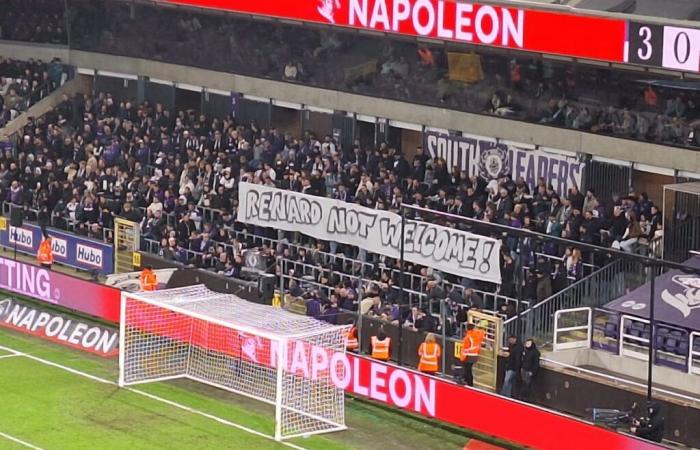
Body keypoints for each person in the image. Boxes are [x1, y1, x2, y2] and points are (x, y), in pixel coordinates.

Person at [459, 321, 486, 386]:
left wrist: (462, 358)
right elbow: (482, 333)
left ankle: (469, 383)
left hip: (468, 356)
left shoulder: (467, 337)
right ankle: (469, 383)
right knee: (469, 370)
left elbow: (465, 349)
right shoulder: (477, 334)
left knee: (467, 370)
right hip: (475, 355)